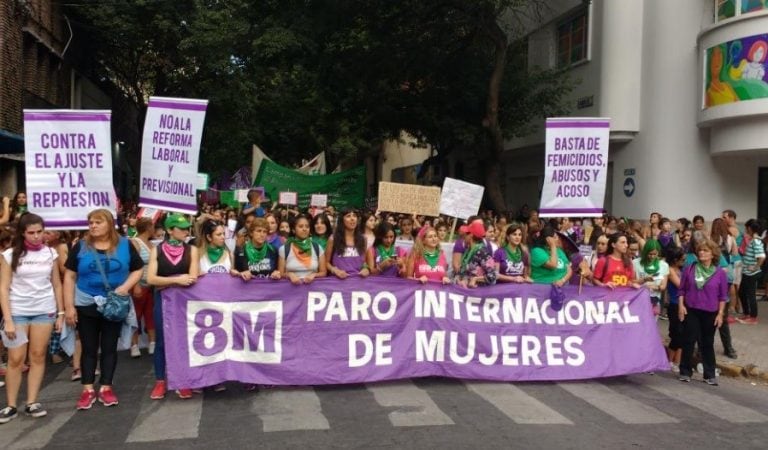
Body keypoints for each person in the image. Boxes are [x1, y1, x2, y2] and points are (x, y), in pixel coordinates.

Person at [63, 209, 144, 409]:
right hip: (86, 302)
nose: (93, 226)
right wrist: (68, 307)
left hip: (114, 303)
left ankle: (106, 387)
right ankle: (88, 389)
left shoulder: (125, 245)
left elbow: (138, 268)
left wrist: (125, 288)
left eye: (98, 222)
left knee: (109, 347)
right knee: (89, 348)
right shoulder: (80, 246)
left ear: (109, 224)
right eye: (90, 222)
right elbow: (69, 276)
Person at [0, 214, 63, 423]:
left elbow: (57, 284)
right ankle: (10, 405)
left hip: (44, 310)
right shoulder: (9, 254)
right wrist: (8, 319)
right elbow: (3, 287)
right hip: (17, 311)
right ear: (22, 233)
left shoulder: (50, 253)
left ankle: (32, 401)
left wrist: (60, 313)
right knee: (16, 359)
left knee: (37, 356)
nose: (36, 237)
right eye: (31, 233)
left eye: (39, 232)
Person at [146, 213, 199, 400]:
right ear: (170, 230)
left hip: (184, 303)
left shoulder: (191, 250)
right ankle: (161, 380)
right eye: (182, 228)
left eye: (187, 228)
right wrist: (177, 280)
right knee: (162, 340)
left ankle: (183, 380)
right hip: (163, 302)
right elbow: (150, 278)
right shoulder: (157, 250)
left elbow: (192, 277)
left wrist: (165, 283)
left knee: (184, 340)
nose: (186, 231)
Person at [678, 239, 728, 385]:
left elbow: (723, 296)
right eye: (700, 250)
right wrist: (681, 306)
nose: (702, 252)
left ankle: (709, 374)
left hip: (710, 312)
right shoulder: (690, 268)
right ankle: (685, 371)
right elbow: (682, 290)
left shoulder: (720, 273)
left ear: (713, 254)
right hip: (692, 309)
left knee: (707, 343)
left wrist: (720, 314)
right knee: (689, 340)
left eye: (705, 250)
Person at [129, 218, 156, 358]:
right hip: (139, 285)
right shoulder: (135, 242)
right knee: (136, 315)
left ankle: (152, 343)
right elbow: (132, 265)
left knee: (150, 314)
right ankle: (134, 345)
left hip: (151, 285)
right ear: (148, 228)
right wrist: (135, 285)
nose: (154, 229)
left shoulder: (151, 244)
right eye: (153, 226)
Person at [278, 214, 326, 284]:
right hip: (290, 291)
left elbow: (323, 272)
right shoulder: (284, 249)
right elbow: (280, 273)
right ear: (294, 230)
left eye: (307, 226)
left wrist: (314, 275)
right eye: (300, 226)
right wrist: (289, 275)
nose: (304, 229)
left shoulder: (317, 248)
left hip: (312, 291)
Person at [326, 208, 370, 278]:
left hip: (357, 280)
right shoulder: (333, 238)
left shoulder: (363, 239)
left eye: (354, 216)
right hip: (338, 281)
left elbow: (363, 261)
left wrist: (366, 268)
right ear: (342, 220)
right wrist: (335, 271)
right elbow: (326, 263)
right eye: (348, 216)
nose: (352, 218)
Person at [454, 219, 497, 288]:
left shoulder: (482, 253)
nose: (464, 236)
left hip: (477, 293)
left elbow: (493, 276)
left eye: (466, 234)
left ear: (471, 235)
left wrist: (475, 279)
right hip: (465, 292)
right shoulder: (468, 251)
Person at [738, 220, 766, 324]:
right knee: (742, 293)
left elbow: (762, 257)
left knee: (750, 295)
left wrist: (755, 267)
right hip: (746, 273)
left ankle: (753, 318)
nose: (745, 230)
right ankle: (747, 314)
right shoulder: (753, 240)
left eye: (746, 228)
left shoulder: (756, 241)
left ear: (749, 228)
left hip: (751, 274)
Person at [633, 239, 669, 316]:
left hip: (654, 300)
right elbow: (632, 281)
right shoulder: (635, 263)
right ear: (645, 252)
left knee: (651, 326)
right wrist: (644, 280)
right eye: (649, 254)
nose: (652, 256)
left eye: (655, 254)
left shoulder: (664, 265)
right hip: (638, 299)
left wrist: (656, 287)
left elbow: (663, 286)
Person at [665, 247, 686, 372]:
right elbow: (680, 286)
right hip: (674, 304)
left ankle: (677, 362)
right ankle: (669, 361)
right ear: (675, 259)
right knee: (676, 334)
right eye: (682, 259)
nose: (684, 261)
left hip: (684, 304)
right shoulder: (671, 270)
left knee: (682, 334)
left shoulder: (681, 269)